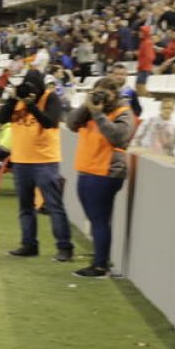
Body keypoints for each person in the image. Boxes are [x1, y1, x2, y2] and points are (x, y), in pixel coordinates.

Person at [0, 70, 74, 261]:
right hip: (21, 160)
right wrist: (11, 99)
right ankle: (28, 244)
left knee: (54, 206)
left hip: (45, 161)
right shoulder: (18, 99)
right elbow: (0, 118)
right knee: (25, 207)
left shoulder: (51, 98)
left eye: (33, 87)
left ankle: (65, 247)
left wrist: (32, 106)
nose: (30, 90)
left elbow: (49, 122)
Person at [66, 78, 134, 278]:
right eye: (97, 91)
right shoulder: (90, 110)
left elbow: (118, 137)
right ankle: (99, 260)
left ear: (115, 94)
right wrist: (87, 106)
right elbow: (71, 123)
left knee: (99, 220)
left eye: (106, 93)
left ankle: (100, 266)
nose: (101, 96)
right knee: (96, 219)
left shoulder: (123, 112)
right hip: (88, 169)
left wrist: (98, 113)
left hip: (106, 171)